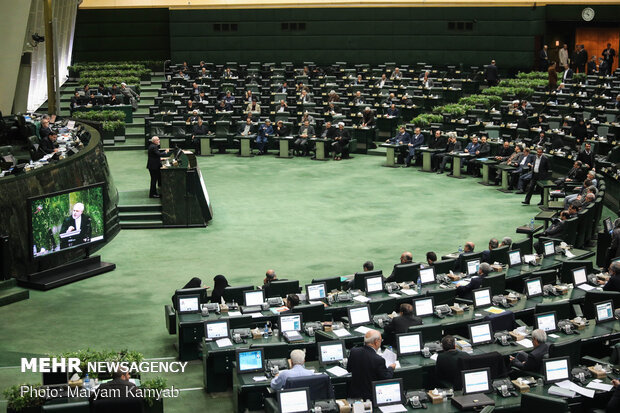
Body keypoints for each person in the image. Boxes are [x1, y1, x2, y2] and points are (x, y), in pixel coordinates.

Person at [347, 330, 395, 400]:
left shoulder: (354, 351)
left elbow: (349, 369)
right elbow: (386, 378)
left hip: (355, 394)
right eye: (381, 340)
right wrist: (391, 367)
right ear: (376, 341)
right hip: (371, 397)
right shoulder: (378, 360)